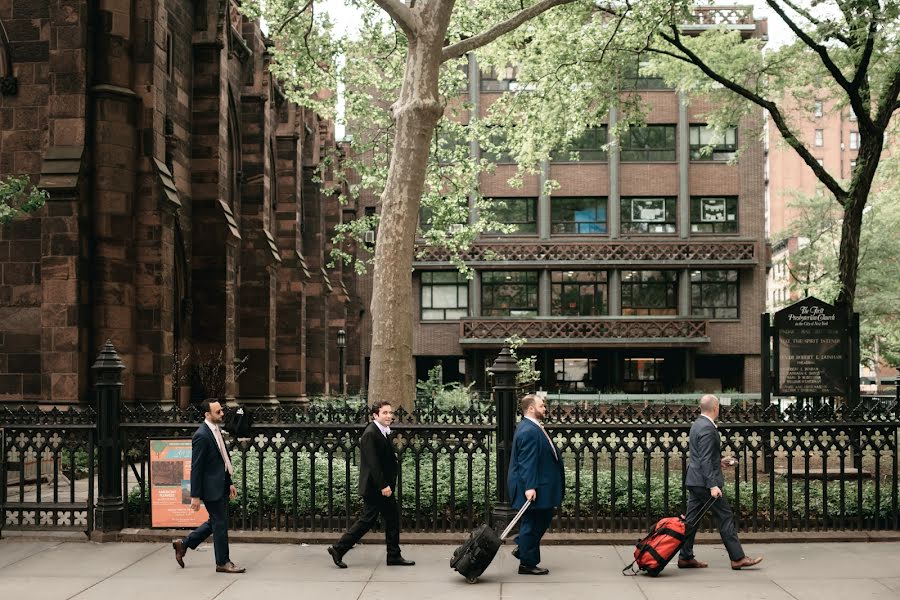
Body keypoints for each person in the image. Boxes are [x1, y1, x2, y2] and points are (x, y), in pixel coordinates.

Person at [678, 394, 763, 571]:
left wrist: (720, 462)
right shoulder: (708, 429)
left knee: (691, 520)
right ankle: (738, 558)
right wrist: (713, 485)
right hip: (704, 483)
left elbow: (703, 457)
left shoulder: (697, 425)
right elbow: (705, 460)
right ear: (716, 408)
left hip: (694, 479)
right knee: (724, 516)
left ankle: (685, 556)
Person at [327, 401, 415, 568]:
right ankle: (338, 548)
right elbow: (373, 464)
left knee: (391, 518)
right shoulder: (370, 433)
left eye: (390, 412)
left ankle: (393, 555)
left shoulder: (381, 431)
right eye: (385, 413)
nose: (389, 416)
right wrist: (384, 486)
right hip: (376, 488)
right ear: (375, 415)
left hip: (381, 486)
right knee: (367, 520)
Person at [172, 400, 245, 573]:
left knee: (215, 521)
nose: (222, 414)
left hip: (220, 485)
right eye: (218, 412)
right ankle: (222, 562)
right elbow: (196, 467)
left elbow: (222, 459)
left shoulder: (215, 430)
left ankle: (183, 544)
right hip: (211, 488)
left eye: (221, 411)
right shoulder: (201, 435)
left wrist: (230, 483)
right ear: (207, 414)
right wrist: (195, 496)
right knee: (220, 524)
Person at [507, 394, 565, 575]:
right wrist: (529, 487)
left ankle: (523, 547)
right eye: (541, 405)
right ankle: (527, 563)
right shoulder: (528, 431)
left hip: (542, 484)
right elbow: (527, 462)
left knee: (543, 517)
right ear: (531, 408)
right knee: (532, 523)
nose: (545, 408)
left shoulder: (532, 427)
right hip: (534, 486)